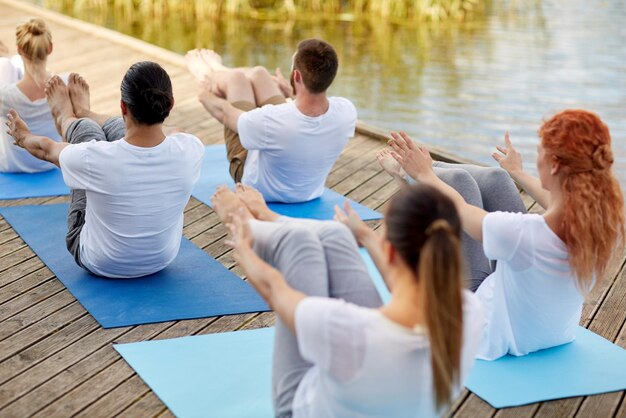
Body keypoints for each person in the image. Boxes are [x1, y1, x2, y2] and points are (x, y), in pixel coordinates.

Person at [212, 183, 484, 417]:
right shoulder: (467, 309)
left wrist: (242, 242)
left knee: (296, 243)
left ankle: (245, 220)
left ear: (390, 252)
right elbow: (401, 285)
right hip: (373, 376)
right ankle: (268, 216)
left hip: (296, 407)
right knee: (337, 234)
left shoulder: (351, 330)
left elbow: (275, 290)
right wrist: (364, 235)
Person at [386, 109, 625, 360]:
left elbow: (459, 207)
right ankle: (424, 166)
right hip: (554, 332)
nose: (538, 160)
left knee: (460, 182)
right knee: (497, 177)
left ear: (553, 164)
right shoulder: (607, 222)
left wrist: (423, 174)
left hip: (488, 331)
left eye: (539, 153)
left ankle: (406, 172)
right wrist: (517, 172)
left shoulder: (524, 233)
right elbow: (559, 203)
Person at [5, 62, 204, 278]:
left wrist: (22, 137)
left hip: (100, 261)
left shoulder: (94, 158)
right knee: (119, 130)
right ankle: (83, 111)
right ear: (170, 104)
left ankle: (66, 116)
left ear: (123, 107)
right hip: (161, 259)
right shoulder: (190, 148)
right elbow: (175, 132)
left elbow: (46, 150)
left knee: (87, 131)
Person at [186, 39, 357, 203]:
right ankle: (217, 67)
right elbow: (308, 111)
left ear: (296, 76)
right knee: (259, 73)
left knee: (236, 78)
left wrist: (204, 91)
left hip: (259, 190)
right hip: (308, 193)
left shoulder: (271, 119)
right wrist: (292, 92)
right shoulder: (346, 111)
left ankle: (206, 71)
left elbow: (224, 113)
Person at [0, 18, 61, 173]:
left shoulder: (5, 95)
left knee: (5, 64)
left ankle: (6, 59)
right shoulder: (62, 87)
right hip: (50, 162)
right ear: (50, 48)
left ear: (20, 49)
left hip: (11, 167)